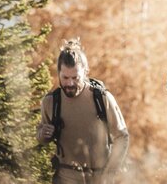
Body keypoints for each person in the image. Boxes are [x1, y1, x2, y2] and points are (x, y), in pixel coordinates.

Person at [37, 38, 129, 184]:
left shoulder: (102, 98)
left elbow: (122, 136)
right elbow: (42, 136)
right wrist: (43, 135)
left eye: (75, 77)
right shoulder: (51, 102)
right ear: (58, 73)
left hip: (98, 178)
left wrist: (110, 172)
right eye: (65, 77)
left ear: (85, 72)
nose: (70, 83)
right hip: (64, 179)